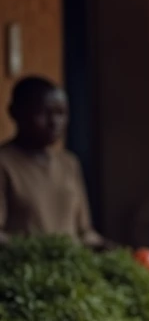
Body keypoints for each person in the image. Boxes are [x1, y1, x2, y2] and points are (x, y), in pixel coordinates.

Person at [0, 77, 106, 248]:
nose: (55, 122)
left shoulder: (69, 164)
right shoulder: (5, 164)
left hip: (71, 270)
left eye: (61, 114)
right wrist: (40, 250)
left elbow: (84, 232)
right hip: (24, 270)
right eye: (43, 113)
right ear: (15, 112)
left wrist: (113, 250)